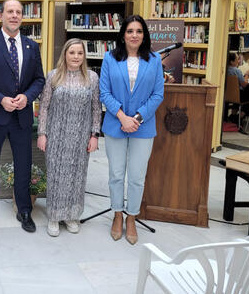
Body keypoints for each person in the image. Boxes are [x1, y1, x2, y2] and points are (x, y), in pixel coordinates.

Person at [0, 0, 45, 233]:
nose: (14, 15)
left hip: (22, 116)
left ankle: (24, 210)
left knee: (24, 165)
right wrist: (0, 99)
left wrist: (27, 96)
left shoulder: (32, 46)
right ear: (1, 15)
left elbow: (39, 80)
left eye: (18, 12)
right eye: (10, 11)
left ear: (22, 17)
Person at [99, 15, 164, 245]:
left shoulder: (154, 60)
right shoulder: (110, 58)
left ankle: (132, 218)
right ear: (123, 35)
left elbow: (158, 95)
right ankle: (117, 215)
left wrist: (136, 118)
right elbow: (104, 92)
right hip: (116, 124)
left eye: (138, 31)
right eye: (129, 31)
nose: (134, 35)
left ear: (144, 34)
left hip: (143, 127)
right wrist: (122, 117)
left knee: (137, 177)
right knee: (116, 174)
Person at [37, 38, 101, 237]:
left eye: (80, 53)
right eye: (72, 52)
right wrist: (42, 133)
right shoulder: (53, 76)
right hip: (56, 135)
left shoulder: (92, 78)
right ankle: (54, 217)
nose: (76, 57)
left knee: (77, 176)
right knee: (56, 176)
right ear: (65, 54)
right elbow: (44, 107)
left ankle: (72, 215)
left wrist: (94, 135)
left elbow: (96, 109)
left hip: (81, 137)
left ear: (84, 56)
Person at [227, 52, 249, 120]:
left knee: (242, 95)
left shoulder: (226, 70)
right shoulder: (237, 71)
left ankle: (233, 116)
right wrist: (247, 74)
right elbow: (244, 85)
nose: (239, 61)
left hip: (230, 95)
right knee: (248, 98)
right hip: (239, 95)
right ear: (231, 62)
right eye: (237, 59)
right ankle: (239, 118)